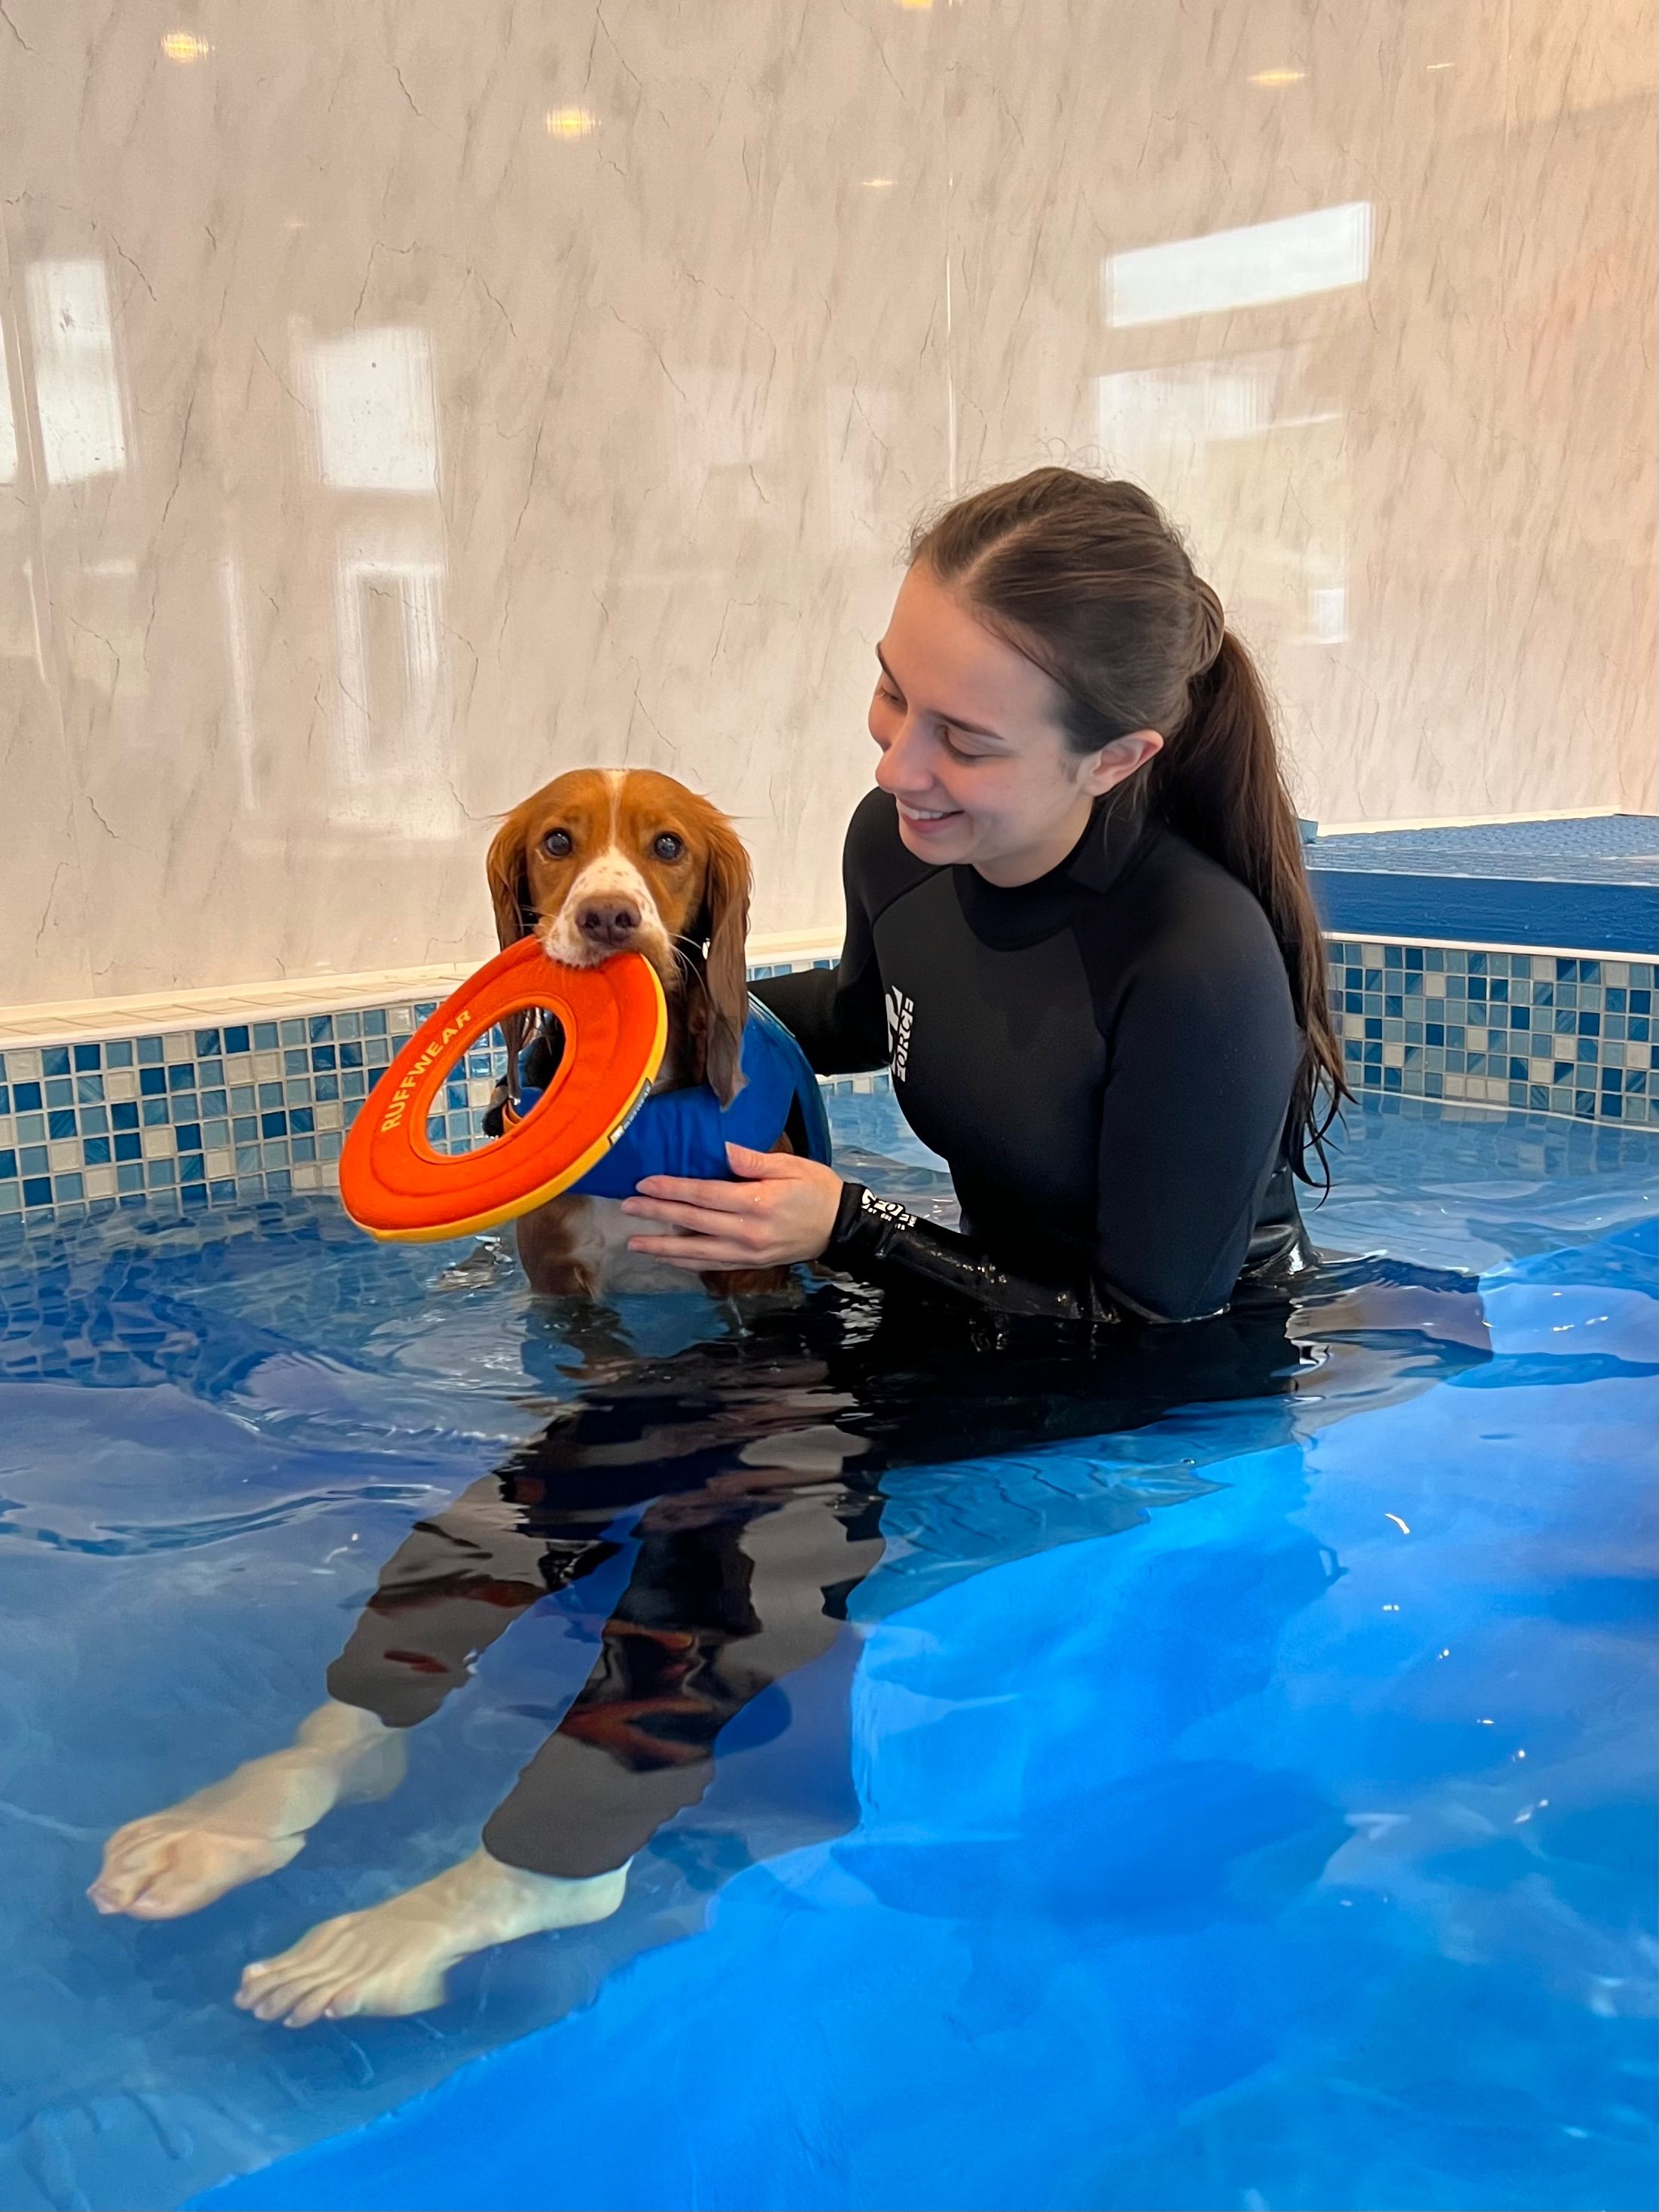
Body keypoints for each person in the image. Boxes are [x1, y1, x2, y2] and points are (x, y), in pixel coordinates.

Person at [621, 466, 1348, 1323]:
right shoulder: (896, 846)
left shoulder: (1197, 961)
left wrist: (851, 1226)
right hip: (995, 1316)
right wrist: (641, 1020)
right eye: (893, 690)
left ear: (1114, 759)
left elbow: (1154, 1322)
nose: (894, 768)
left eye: (963, 741)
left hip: (1188, 1385)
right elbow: (865, 1015)